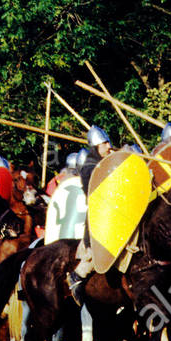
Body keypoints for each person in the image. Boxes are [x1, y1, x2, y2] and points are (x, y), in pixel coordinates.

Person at [68, 125, 114, 302]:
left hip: (114, 214)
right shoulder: (90, 168)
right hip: (99, 218)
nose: (109, 147)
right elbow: (96, 193)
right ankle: (77, 276)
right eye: (105, 144)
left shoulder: (104, 164)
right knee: (99, 251)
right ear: (96, 146)